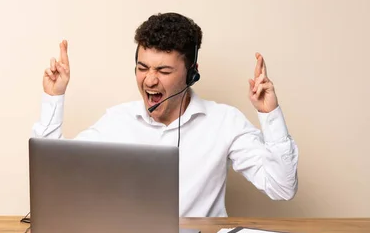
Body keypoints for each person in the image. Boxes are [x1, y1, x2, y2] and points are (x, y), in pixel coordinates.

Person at [31, 12, 298, 217]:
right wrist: (54, 97)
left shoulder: (224, 122)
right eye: (142, 67)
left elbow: (282, 188)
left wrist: (270, 115)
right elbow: (54, 172)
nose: (149, 81)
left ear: (192, 73)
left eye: (164, 71)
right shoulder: (117, 121)